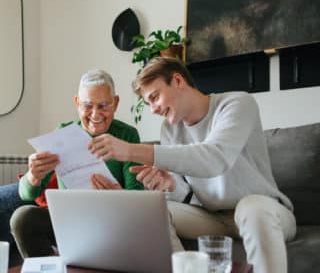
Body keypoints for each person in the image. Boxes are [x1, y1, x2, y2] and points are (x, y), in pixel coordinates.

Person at [88, 57, 296, 273]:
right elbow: (187, 195)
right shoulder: (170, 130)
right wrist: (170, 185)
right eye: (148, 103)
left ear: (178, 80)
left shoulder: (236, 104)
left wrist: (131, 150)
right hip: (213, 217)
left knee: (251, 209)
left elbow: (215, 158)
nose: (153, 109)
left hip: (265, 210)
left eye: (155, 97)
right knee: (154, 211)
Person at [10, 69, 143, 258]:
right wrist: (33, 176)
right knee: (22, 218)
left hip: (111, 222)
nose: (95, 114)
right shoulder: (63, 133)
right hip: (70, 220)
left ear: (116, 103)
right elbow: (27, 194)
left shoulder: (127, 135)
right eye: (88, 106)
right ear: (77, 103)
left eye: (103, 105)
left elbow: (137, 197)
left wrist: (118, 196)